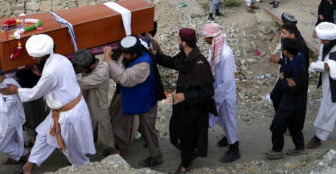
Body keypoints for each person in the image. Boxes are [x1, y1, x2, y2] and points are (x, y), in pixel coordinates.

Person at [0, 34, 95, 173]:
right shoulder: (61, 58)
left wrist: (16, 90)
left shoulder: (50, 72)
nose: (33, 59)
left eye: (35, 57)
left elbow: (35, 93)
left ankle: (85, 168)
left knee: (73, 151)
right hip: (62, 111)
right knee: (43, 136)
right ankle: (28, 166)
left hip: (69, 115)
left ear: (42, 56)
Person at [150, 28, 216, 173]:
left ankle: (184, 165)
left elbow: (208, 91)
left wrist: (185, 96)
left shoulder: (200, 63)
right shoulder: (185, 57)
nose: (178, 41)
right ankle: (191, 151)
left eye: (179, 39)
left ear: (184, 43)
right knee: (176, 131)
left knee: (187, 136)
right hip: (183, 105)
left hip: (195, 108)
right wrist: (156, 55)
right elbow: (173, 62)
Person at [103, 36, 162, 167]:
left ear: (134, 53)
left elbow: (124, 78)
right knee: (121, 122)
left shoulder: (143, 63)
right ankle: (121, 148)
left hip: (144, 102)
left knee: (147, 129)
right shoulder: (132, 56)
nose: (123, 55)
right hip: (130, 98)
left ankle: (156, 156)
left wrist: (108, 60)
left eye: (125, 53)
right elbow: (119, 71)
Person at [202, 23, 240, 163]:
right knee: (222, 118)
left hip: (224, 92)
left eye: (206, 37)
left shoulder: (225, 54)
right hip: (218, 89)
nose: (205, 40)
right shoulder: (215, 48)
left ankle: (234, 147)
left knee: (228, 119)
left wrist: (215, 95)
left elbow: (228, 80)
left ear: (213, 37)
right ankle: (229, 137)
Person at [265, 37, 308, 159]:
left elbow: (293, 87)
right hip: (294, 101)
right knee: (294, 126)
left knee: (277, 126)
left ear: (286, 51)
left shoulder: (297, 66)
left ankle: (277, 150)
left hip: (291, 102)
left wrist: (283, 79)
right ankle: (300, 148)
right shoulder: (293, 59)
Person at [73, 49, 116, 156]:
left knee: (104, 130)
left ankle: (113, 155)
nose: (79, 70)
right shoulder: (90, 66)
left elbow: (79, 84)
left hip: (99, 106)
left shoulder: (100, 73)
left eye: (81, 68)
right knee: (92, 128)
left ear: (91, 66)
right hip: (90, 104)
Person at [268, 17, 310, 111]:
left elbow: (299, 65)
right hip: (285, 73)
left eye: (284, 33)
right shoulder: (285, 40)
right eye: (281, 32)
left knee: (291, 103)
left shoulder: (301, 47)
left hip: (294, 78)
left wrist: (280, 61)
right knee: (275, 96)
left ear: (292, 35)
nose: (281, 35)